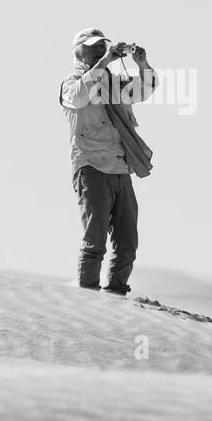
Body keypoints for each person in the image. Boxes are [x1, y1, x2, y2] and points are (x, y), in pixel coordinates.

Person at [59, 27, 156, 295]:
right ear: (80, 53)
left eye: (103, 47)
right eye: (94, 48)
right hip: (91, 167)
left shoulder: (115, 85)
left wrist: (142, 63)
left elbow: (145, 90)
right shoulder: (72, 83)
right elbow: (78, 97)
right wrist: (104, 64)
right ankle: (88, 296)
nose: (100, 51)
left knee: (127, 241)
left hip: (120, 169)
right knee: (95, 240)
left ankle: (116, 294)